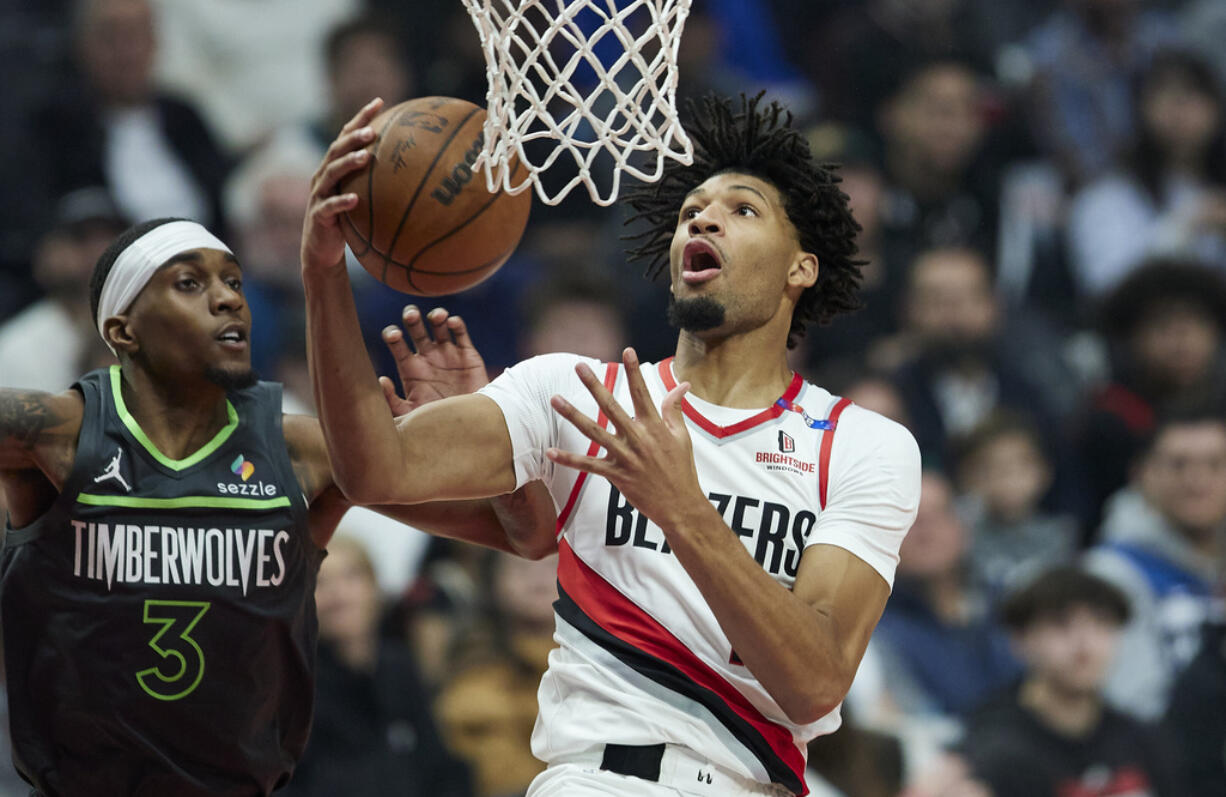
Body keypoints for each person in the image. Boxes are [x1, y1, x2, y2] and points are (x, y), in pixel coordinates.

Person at [303, 94, 922, 797]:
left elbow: (813, 683)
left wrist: (685, 511)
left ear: (800, 269)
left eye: (742, 209)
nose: (705, 216)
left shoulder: (865, 444)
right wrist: (323, 272)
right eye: (692, 211)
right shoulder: (571, 390)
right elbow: (372, 467)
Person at [0, 217, 553, 795]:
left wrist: (485, 425)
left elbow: (526, 537)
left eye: (234, 283)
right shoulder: (53, 433)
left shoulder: (298, 451)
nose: (226, 300)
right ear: (124, 330)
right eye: (190, 283)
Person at [962, 566, 1181, 797]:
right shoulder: (993, 751)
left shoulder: (1143, 740)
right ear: (1020, 639)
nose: (1084, 643)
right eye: (1060, 623)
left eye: (1101, 621)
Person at [287, 534, 472, 797]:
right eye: (319, 581)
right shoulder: (292, 688)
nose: (338, 593)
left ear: (375, 588)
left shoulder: (400, 667)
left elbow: (439, 766)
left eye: (351, 576)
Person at [1087, 404, 1226, 721]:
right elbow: (1132, 706)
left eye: (1216, 465)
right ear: (1141, 475)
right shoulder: (1111, 574)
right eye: (1178, 465)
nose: (1197, 480)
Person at [1068, 49, 1226, 296]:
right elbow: (1107, 288)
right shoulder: (1107, 197)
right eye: (1165, 94)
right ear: (1139, 108)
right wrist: (1187, 226)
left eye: (1193, 94)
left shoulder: (1216, 186)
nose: (1179, 109)